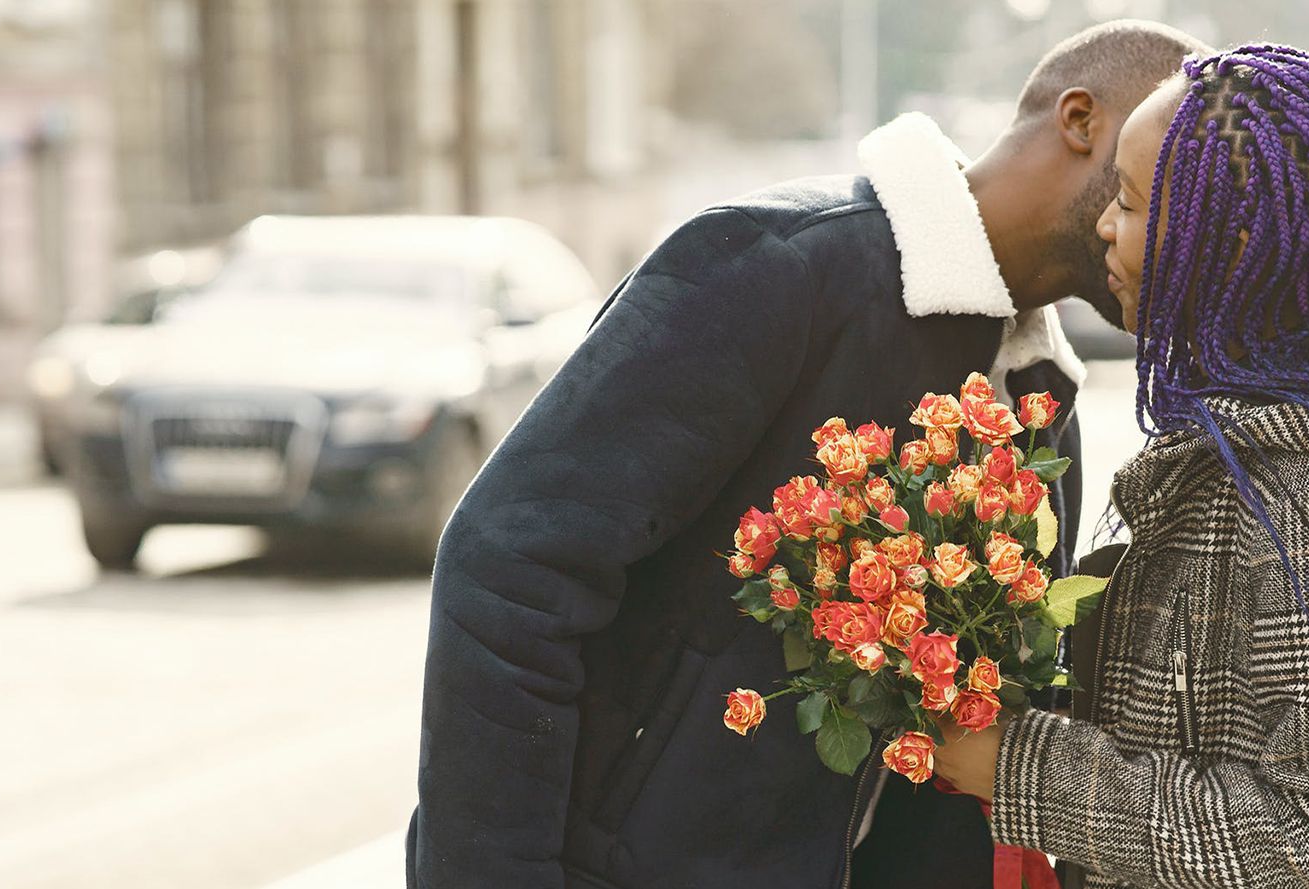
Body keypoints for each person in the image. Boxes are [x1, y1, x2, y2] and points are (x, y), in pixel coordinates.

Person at [406, 21, 1203, 889]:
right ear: (1082, 121)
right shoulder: (773, 265)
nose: (1206, 231)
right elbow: (512, 568)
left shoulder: (1043, 404)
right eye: (1185, 185)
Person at [931, 46, 1309, 889]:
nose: (1105, 224)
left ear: (1232, 242)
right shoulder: (1276, 446)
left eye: (1132, 205)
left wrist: (1023, 766)